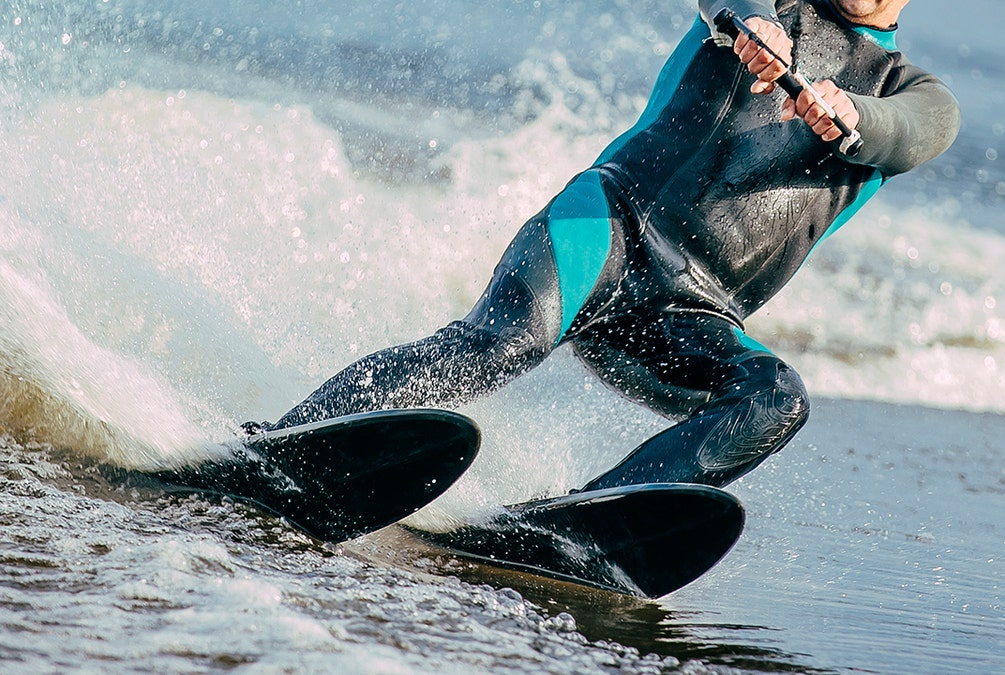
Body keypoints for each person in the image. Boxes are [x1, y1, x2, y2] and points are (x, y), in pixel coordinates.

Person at [265, 0, 960, 491]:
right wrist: (750, 23)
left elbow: (913, 128)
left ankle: (571, 524)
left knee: (777, 398)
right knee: (500, 343)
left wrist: (848, 112)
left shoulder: (914, 93)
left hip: (690, 319)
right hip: (607, 227)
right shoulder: (772, 4)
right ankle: (277, 442)